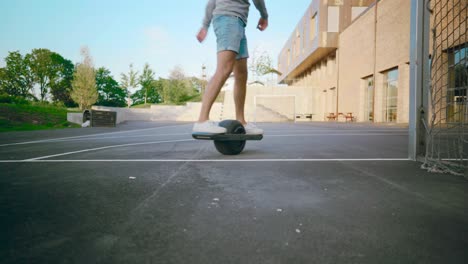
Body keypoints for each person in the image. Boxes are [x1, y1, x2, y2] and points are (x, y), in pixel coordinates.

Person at [192, 0, 268, 135]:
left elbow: (211, 3)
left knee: (241, 74)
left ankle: (241, 121)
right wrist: (264, 16)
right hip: (228, 19)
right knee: (224, 68)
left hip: (238, 23)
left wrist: (205, 26)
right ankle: (202, 120)